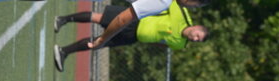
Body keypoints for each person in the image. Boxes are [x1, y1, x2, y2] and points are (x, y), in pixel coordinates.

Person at [53, 2, 209, 72]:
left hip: (134, 37)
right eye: (198, 35)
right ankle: (63, 19)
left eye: (198, 40)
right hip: (135, 20)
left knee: (99, 43)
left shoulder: (181, 44)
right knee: (99, 18)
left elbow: (163, 44)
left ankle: (64, 51)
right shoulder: (181, 13)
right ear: (196, 27)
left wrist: (148, 40)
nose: (195, 39)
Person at [82, 0, 210, 50]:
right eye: (196, 5)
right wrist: (102, 40)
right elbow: (122, 19)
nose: (192, 7)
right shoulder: (165, 3)